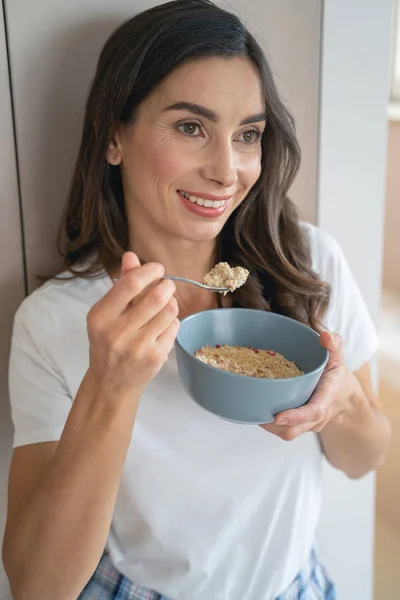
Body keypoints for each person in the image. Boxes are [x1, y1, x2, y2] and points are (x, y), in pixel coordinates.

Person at [2, 1, 391, 599]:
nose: (227, 169)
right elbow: (37, 585)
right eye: (191, 127)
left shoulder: (305, 263)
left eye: (248, 135)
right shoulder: (53, 320)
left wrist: (338, 403)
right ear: (114, 137)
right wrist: (109, 386)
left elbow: (366, 459)